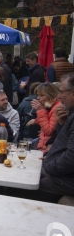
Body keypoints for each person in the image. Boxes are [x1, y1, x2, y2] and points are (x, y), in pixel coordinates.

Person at [33, 73, 74, 202]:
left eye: (61, 92)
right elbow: (61, 139)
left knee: (26, 190)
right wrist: (61, 124)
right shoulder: (68, 112)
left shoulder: (57, 108)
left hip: (66, 179)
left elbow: (70, 158)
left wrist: (49, 166)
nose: (59, 96)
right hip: (62, 172)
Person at [29, 82, 61, 152]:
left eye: (42, 95)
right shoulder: (49, 106)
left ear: (51, 95)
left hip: (48, 149)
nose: (38, 98)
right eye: (37, 95)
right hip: (43, 146)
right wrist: (36, 120)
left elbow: (48, 131)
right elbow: (47, 119)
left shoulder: (57, 108)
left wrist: (40, 110)